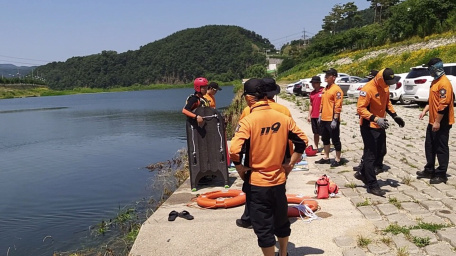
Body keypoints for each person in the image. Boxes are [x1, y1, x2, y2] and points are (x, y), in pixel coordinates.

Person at [230, 78, 308, 256]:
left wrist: (240, 168)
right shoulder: (283, 117)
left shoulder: (248, 121)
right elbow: (302, 141)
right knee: (281, 221)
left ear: (250, 98)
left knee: (263, 228)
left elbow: (234, 150)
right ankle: (284, 253)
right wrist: (290, 164)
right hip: (279, 180)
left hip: (257, 183)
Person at [236, 78, 292, 230]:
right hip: (279, 156)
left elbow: (240, 138)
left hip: (255, 157)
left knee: (251, 189)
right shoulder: (283, 110)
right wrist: (290, 160)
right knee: (279, 187)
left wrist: (239, 165)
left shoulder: (249, 110)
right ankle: (279, 217)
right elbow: (291, 138)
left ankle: (248, 218)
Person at [354, 68, 405, 196]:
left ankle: (362, 172)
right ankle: (372, 184)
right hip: (368, 126)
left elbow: (387, 103)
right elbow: (360, 109)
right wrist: (375, 118)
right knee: (370, 156)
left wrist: (395, 116)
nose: (389, 84)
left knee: (381, 151)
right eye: (387, 81)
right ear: (380, 79)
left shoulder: (385, 87)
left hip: (380, 125)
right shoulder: (368, 89)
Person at [416, 58, 454, 184]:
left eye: (430, 68)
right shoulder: (435, 82)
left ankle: (441, 173)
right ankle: (429, 169)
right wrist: (425, 111)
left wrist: (437, 122)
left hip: (441, 122)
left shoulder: (444, 83)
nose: (429, 71)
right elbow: (431, 100)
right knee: (430, 146)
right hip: (432, 120)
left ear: (435, 68)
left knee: (441, 147)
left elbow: (443, 105)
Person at [353, 70, 383, 174]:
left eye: (371, 78)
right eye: (368, 78)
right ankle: (364, 168)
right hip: (368, 123)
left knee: (380, 149)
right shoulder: (367, 88)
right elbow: (361, 107)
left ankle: (376, 165)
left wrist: (394, 115)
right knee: (369, 149)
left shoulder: (381, 88)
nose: (369, 80)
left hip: (379, 123)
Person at [315, 68, 343, 167]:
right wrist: (319, 115)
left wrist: (335, 119)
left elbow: (338, 105)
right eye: (325, 75)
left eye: (328, 75)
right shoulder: (325, 89)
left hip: (331, 119)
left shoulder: (337, 89)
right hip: (324, 118)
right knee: (325, 139)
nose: (325, 76)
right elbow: (322, 103)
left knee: (335, 139)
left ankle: (338, 159)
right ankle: (326, 157)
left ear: (334, 77)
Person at [307, 76, 324, 151]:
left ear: (318, 83)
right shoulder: (312, 93)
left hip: (322, 115)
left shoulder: (323, 91)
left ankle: (325, 147)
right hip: (314, 115)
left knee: (324, 133)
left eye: (314, 83)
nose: (313, 84)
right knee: (315, 133)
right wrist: (309, 115)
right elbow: (311, 104)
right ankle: (316, 146)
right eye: (312, 83)